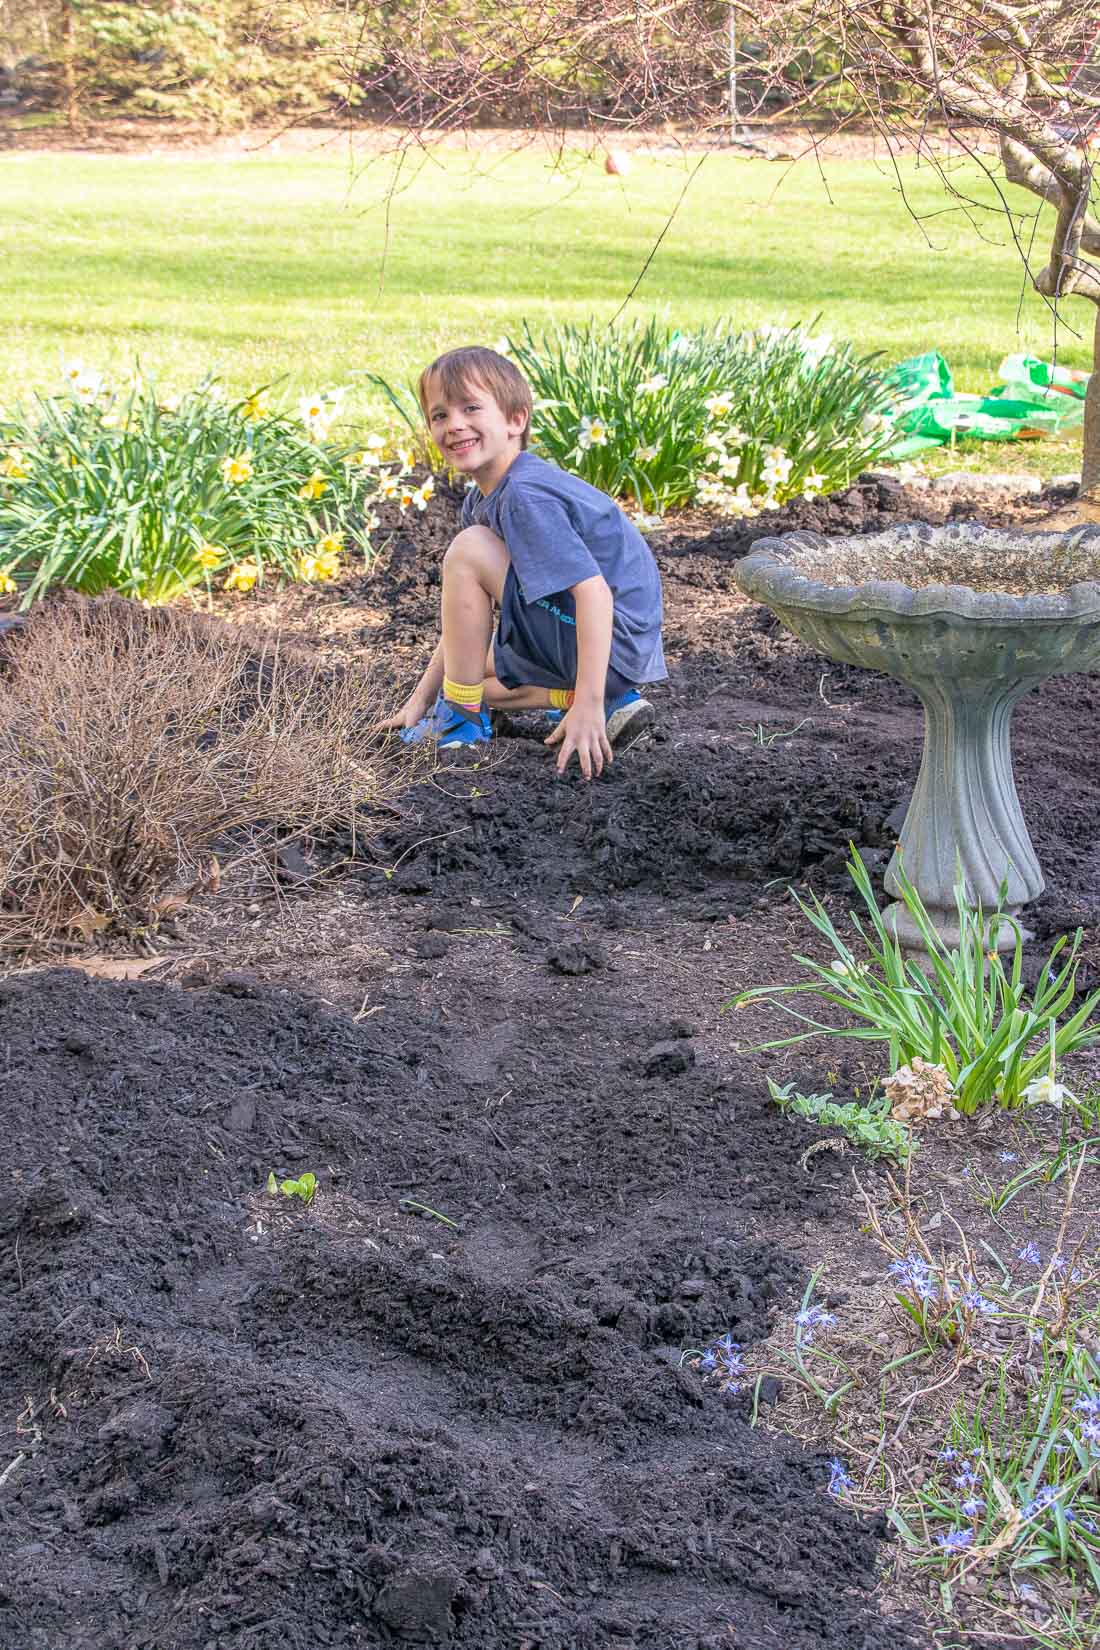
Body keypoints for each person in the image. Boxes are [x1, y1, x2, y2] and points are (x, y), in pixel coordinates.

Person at [385, 345, 666, 780]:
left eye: (471, 408)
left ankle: (467, 720)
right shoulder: (484, 497)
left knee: (468, 549)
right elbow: (462, 633)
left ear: (516, 420)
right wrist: (418, 701)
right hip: (597, 650)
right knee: (469, 668)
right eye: (439, 415)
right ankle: (603, 703)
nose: (454, 424)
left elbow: (593, 592)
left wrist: (588, 703)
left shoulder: (524, 496)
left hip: (610, 641)